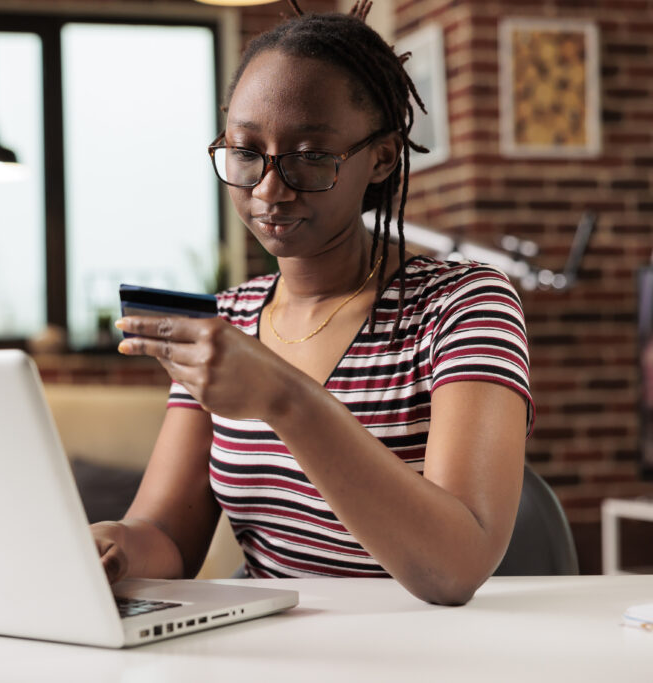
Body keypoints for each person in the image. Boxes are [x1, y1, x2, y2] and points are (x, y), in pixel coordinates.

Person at [92, 1, 533, 606]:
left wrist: (284, 395)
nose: (270, 189)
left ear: (381, 157)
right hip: (279, 649)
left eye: (310, 157)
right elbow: (168, 534)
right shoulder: (227, 320)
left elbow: (455, 567)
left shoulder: (461, 304)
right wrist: (111, 544)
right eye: (246, 152)